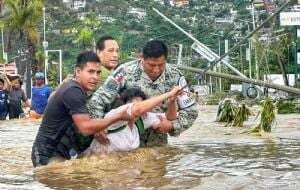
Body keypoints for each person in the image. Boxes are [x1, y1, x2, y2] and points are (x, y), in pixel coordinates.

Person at [88, 40, 198, 147]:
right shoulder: (125, 72)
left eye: (161, 65)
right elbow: (97, 100)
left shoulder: (176, 76)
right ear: (142, 58)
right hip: (122, 142)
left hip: (157, 144)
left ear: (166, 60)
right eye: (151, 65)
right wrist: (98, 125)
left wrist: (172, 126)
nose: (156, 70)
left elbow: (191, 111)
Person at [31, 51, 133, 167]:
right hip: (46, 154)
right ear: (78, 72)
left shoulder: (75, 89)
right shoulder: (73, 91)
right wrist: (118, 116)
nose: (95, 77)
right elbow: (85, 128)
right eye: (90, 72)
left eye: (98, 73)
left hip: (60, 152)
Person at [86, 87, 181, 154]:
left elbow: (170, 118)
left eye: (140, 103)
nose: (137, 107)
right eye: (132, 104)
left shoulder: (143, 119)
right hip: (99, 162)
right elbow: (136, 110)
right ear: (124, 104)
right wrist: (169, 94)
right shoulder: (115, 115)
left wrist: (172, 100)